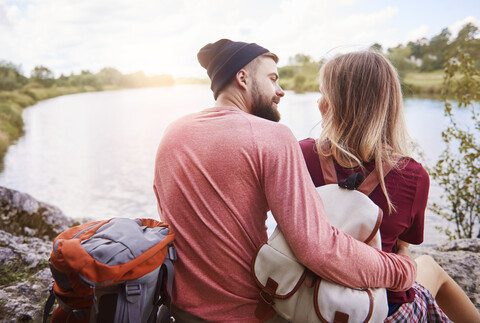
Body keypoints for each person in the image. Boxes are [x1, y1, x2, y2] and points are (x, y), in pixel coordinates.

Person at [153, 39, 417, 322]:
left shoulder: (173, 132)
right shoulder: (271, 136)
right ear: (242, 77)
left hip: (178, 311)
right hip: (249, 313)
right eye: (272, 78)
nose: (280, 91)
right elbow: (319, 249)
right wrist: (400, 271)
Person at [299, 50, 480, 323]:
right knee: (429, 265)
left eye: (323, 92)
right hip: (379, 311)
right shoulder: (413, 175)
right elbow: (403, 248)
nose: (318, 101)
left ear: (334, 103)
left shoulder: (300, 154)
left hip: (303, 301)